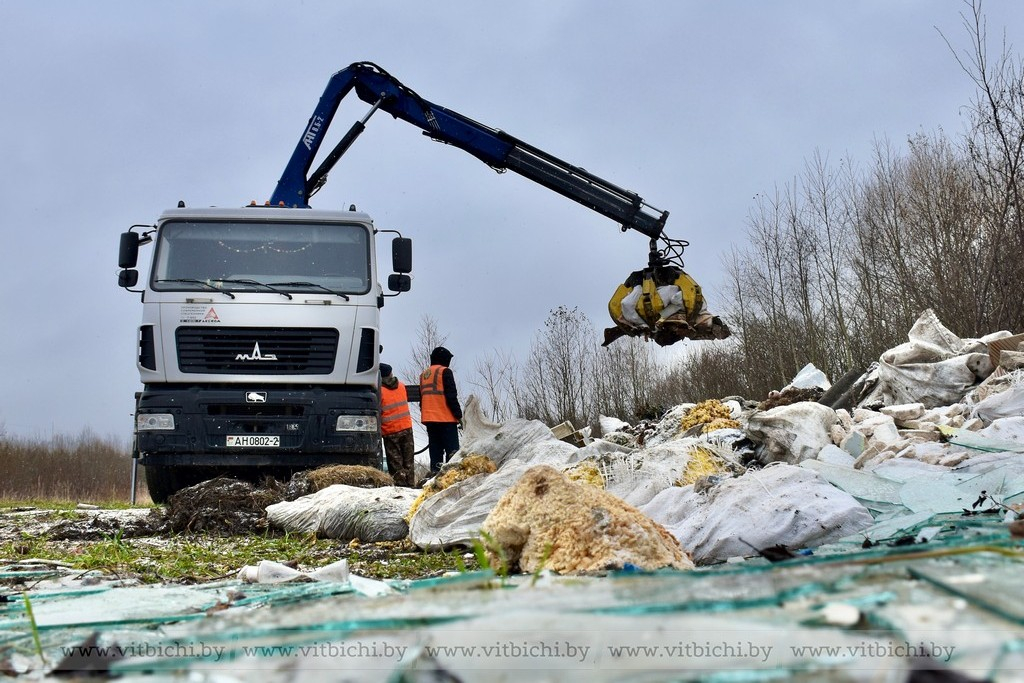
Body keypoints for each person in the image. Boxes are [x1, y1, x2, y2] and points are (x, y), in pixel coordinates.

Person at [419, 346, 462, 473]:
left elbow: (422, 398)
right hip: (445, 418)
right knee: (452, 452)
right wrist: (459, 415)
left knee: (435, 450)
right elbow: (451, 396)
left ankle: (435, 474)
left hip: (429, 419)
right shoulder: (445, 371)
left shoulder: (423, 375)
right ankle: (452, 476)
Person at [379, 363, 416, 487]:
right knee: (409, 462)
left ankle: (400, 488)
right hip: (406, 428)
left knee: (396, 464)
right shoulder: (401, 386)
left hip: (390, 431)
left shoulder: (379, 391)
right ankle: (411, 487)